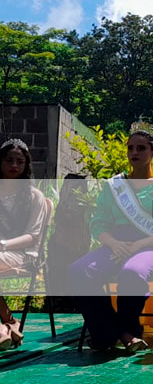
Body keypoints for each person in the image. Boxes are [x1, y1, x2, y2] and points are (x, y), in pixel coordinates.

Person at [70, 128, 153, 351]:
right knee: (78, 271)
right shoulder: (115, 186)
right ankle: (111, 333)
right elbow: (99, 223)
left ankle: (129, 331)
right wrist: (114, 243)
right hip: (118, 245)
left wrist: (139, 245)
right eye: (130, 148)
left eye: (141, 148)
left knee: (132, 272)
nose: (134, 152)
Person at [0, 139, 51, 350]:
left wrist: (3, 245)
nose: (14, 165)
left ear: (26, 165)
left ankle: (5, 326)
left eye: (19, 161)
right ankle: (7, 324)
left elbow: (33, 236)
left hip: (23, 254)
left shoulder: (34, 197)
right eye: (9, 160)